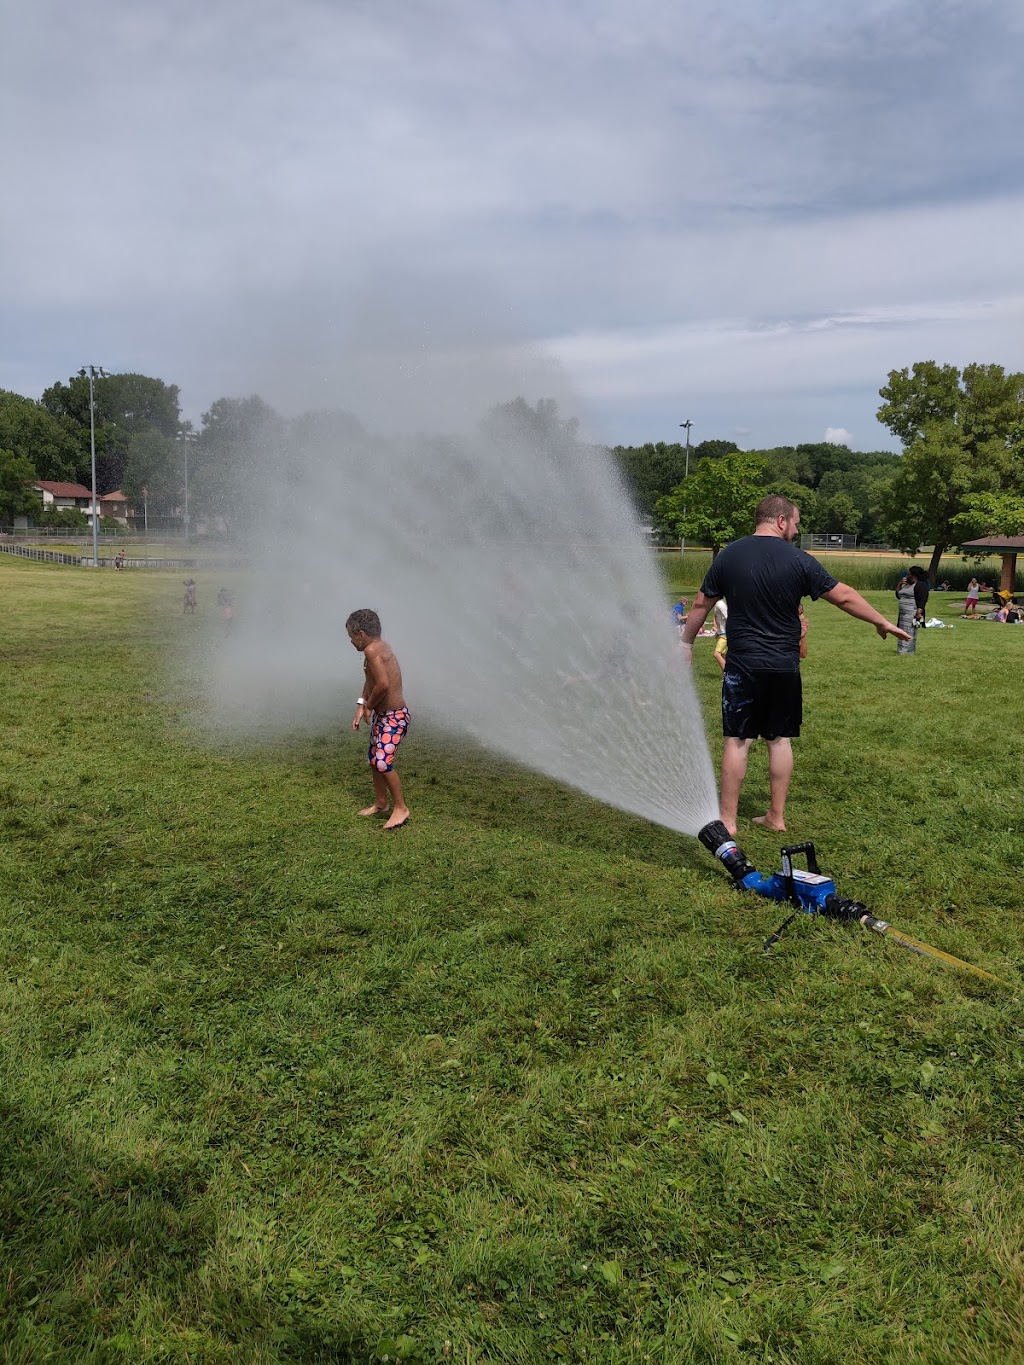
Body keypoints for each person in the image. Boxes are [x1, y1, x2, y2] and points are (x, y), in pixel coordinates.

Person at [681, 495, 910, 836]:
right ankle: (776, 816)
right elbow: (843, 595)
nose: (798, 529)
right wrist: (880, 621)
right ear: (782, 521)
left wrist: (685, 641)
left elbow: (701, 602)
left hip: (742, 664)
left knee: (737, 740)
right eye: (797, 522)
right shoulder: (799, 560)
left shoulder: (729, 555)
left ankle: (728, 821)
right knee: (779, 740)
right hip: (784, 666)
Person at [346, 609, 411, 831]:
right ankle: (381, 803)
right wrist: (360, 706)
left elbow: (382, 685)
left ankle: (401, 808)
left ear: (361, 634)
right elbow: (371, 680)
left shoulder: (372, 651)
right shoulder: (378, 648)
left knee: (383, 763)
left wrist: (369, 707)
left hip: (395, 717)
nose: (351, 642)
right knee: (374, 760)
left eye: (351, 637)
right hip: (385, 717)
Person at [895, 566, 929, 654]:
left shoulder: (920, 585)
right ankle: (903, 650)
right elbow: (899, 595)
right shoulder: (906, 585)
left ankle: (906, 651)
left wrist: (919, 612)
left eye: (909, 574)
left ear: (914, 575)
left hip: (912, 612)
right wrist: (899, 584)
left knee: (909, 631)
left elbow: (922, 600)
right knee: (902, 630)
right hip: (903, 613)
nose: (907, 576)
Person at [712, 597, 728, 671]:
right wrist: (718, 633)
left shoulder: (720, 604)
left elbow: (728, 617)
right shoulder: (716, 605)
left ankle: (727, 673)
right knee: (722, 655)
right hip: (722, 633)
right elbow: (719, 621)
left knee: (716, 654)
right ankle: (725, 676)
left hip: (725, 635)